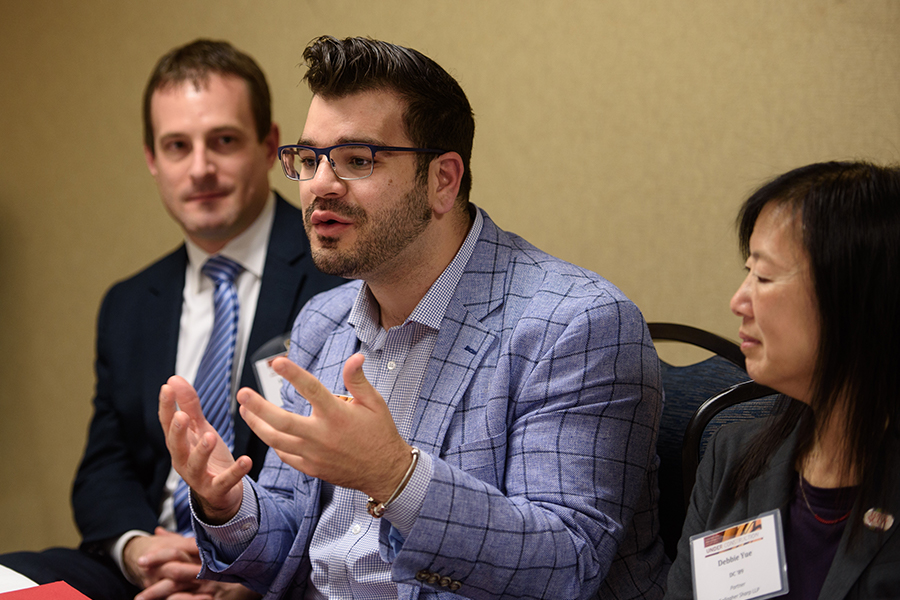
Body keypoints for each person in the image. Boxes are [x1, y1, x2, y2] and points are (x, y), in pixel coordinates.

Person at [159, 35, 668, 600]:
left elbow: (567, 565)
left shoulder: (576, 324)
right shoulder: (320, 323)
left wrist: (396, 478)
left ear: (443, 181)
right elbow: (290, 554)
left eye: (358, 160)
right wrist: (227, 502)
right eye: (309, 160)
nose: (321, 185)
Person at [0, 39, 343, 600]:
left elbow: (342, 480)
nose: (200, 168)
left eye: (224, 141)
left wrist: (248, 577)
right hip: (146, 575)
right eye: (177, 146)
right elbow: (103, 470)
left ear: (267, 146)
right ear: (153, 160)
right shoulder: (129, 304)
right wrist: (138, 550)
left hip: (268, 574)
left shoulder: (336, 275)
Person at [665, 161, 900, 599]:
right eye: (747, 272)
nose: (739, 301)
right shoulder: (731, 457)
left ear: (852, 298)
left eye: (765, 276)